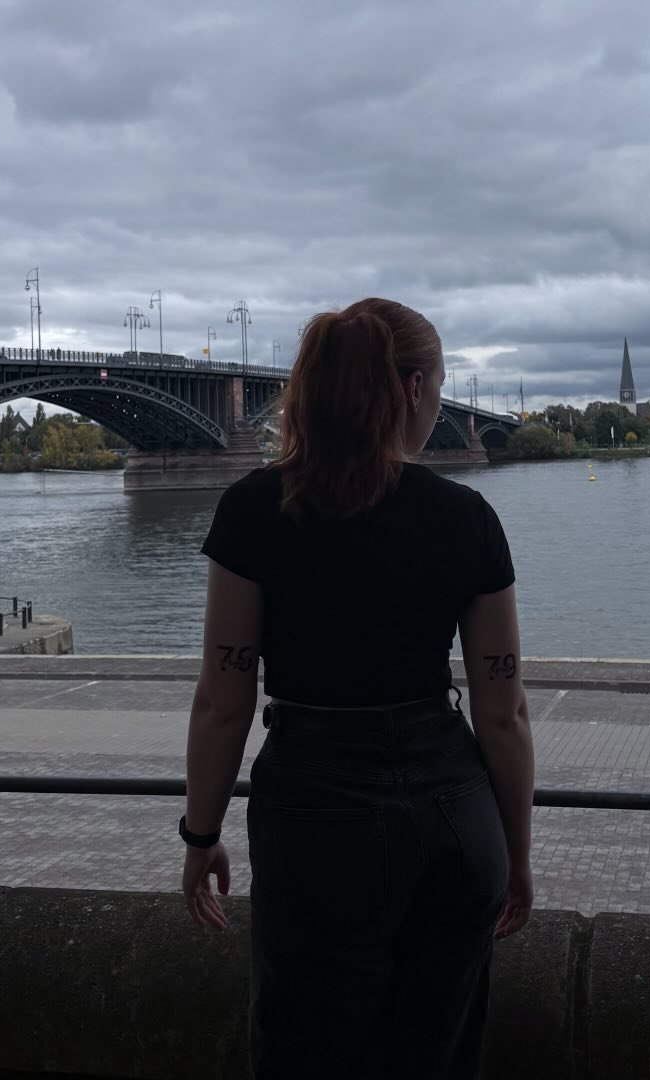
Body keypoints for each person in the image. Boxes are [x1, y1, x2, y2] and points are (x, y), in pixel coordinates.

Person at [180, 297, 535, 1079]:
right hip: (452, 815)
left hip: (313, 815)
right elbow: (503, 712)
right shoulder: (467, 518)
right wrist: (515, 852)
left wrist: (200, 837)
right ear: (413, 388)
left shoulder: (252, 510)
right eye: (439, 386)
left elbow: (223, 701)